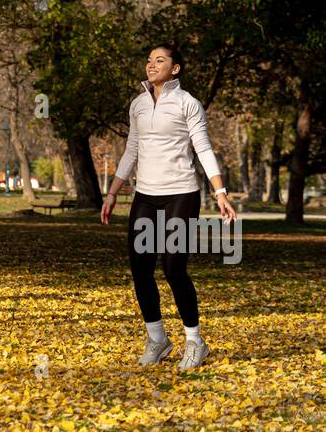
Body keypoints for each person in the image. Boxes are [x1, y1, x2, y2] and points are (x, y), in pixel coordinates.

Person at [100, 43, 236, 371]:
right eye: (149, 60)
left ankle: (195, 342)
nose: (152, 65)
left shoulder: (188, 103)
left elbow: (202, 147)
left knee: (174, 268)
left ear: (175, 68)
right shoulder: (138, 105)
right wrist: (113, 191)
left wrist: (220, 192)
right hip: (145, 196)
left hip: (181, 194)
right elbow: (132, 149)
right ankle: (157, 339)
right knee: (141, 269)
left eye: (160, 60)